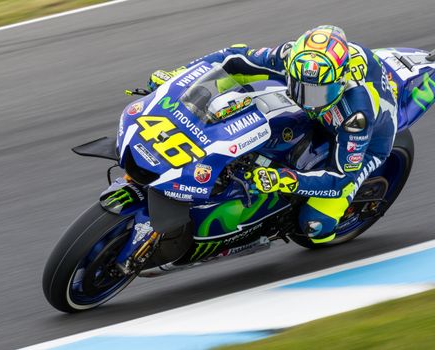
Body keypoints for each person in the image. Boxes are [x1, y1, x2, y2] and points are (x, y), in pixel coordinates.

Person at [148, 25, 397, 244]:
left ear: (340, 82)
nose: (308, 100)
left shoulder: (357, 115)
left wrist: (282, 179)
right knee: (236, 90)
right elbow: (233, 58)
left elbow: (339, 178)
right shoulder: (292, 56)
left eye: (317, 92)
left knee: (315, 227)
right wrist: (179, 77)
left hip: (369, 142)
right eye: (301, 87)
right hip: (323, 108)